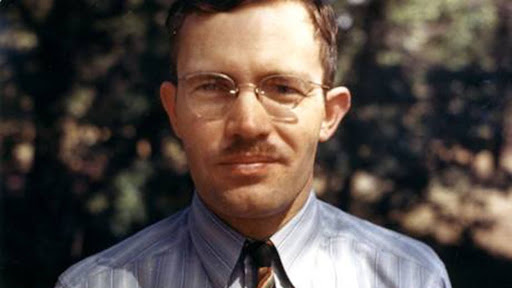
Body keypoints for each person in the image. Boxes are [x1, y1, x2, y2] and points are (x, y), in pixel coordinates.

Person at [55, 0, 452, 287]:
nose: (247, 125)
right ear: (174, 111)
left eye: (282, 88)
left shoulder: (411, 277)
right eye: (212, 86)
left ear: (330, 114)